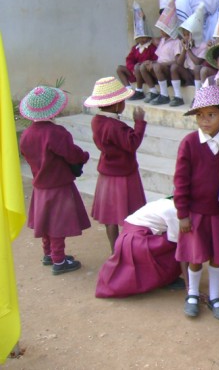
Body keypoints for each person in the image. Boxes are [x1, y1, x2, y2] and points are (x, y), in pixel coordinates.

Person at [174, 86, 219, 320]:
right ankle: (193, 294)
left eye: (211, 114)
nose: (205, 120)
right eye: (200, 115)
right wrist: (182, 214)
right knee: (196, 256)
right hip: (195, 213)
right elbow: (180, 181)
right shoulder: (189, 143)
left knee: (217, 257)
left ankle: (214, 296)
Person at [19, 86, 90, 275]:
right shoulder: (56, 132)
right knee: (58, 223)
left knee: (46, 221)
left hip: (40, 186)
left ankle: (48, 253)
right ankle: (59, 260)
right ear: (54, 109)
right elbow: (71, 154)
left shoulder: (26, 135)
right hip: (58, 184)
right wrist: (84, 156)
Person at [84, 77, 147, 253]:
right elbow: (132, 144)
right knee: (131, 215)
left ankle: (115, 250)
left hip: (107, 173)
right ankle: (129, 250)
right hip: (124, 174)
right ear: (118, 104)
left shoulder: (97, 121)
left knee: (110, 217)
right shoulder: (115, 126)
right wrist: (139, 123)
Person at [95, 197, 183, 298]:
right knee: (179, 243)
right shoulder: (174, 211)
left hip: (126, 240)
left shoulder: (165, 202)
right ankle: (169, 278)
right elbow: (179, 242)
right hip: (137, 242)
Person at [140, 0, 182, 104]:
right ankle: (153, 91)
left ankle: (164, 94)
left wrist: (160, 64)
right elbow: (159, 58)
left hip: (168, 69)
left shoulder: (176, 42)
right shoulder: (163, 40)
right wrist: (151, 62)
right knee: (143, 66)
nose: (161, 32)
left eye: (163, 30)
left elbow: (177, 61)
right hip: (159, 67)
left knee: (157, 66)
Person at [167, 3, 208, 107]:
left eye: (188, 35)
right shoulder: (186, 45)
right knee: (174, 67)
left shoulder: (203, 45)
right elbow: (179, 63)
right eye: (184, 35)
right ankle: (178, 96)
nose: (185, 37)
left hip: (197, 73)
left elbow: (198, 62)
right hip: (188, 74)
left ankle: (198, 97)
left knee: (198, 68)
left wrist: (188, 50)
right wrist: (184, 50)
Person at [118, 1, 157, 101]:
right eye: (140, 38)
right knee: (120, 69)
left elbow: (155, 58)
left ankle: (139, 90)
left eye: (144, 37)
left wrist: (144, 65)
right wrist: (132, 70)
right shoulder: (135, 48)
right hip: (135, 72)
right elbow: (129, 60)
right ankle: (129, 90)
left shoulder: (151, 47)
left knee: (139, 67)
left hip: (146, 72)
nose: (142, 40)